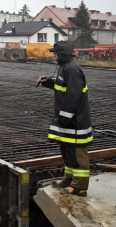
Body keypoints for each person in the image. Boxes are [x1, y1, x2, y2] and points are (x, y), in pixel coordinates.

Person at [36, 40, 92, 197]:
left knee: (77, 154)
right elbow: (63, 86)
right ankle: (69, 179)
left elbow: (73, 96)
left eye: (56, 54)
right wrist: (48, 81)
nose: (54, 56)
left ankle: (80, 187)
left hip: (75, 122)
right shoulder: (64, 67)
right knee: (67, 150)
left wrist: (64, 118)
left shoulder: (72, 69)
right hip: (68, 121)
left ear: (63, 55)